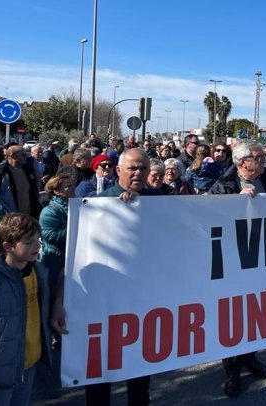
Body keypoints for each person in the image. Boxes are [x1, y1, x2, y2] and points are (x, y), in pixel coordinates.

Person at [81, 148, 160, 406]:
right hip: (106, 301)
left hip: (143, 299)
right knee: (101, 365)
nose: (138, 173)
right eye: (132, 168)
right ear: (118, 171)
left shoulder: (159, 199)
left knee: (139, 367)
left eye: (143, 169)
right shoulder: (100, 203)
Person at [207, 141, 266, 396]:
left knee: (256, 311)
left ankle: (250, 356)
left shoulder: (265, 180)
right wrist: (234, 201)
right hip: (234, 261)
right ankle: (231, 370)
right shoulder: (224, 184)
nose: (263, 160)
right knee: (234, 315)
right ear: (242, 162)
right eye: (258, 156)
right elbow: (210, 214)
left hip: (259, 257)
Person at [0, 213, 51, 406]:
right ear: (8, 246)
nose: (37, 246)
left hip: (29, 362)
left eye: (38, 240)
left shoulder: (38, 271)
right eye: (28, 242)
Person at [38, 175, 74, 296]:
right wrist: (76, 228)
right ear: (56, 191)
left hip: (70, 260)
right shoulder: (49, 212)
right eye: (67, 186)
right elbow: (51, 236)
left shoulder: (76, 206)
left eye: (72, 185)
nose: (72, 188)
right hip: (55, 264)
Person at [0, 145, 42, 219]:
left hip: (29, 218)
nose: (26, 157)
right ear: (13, 156)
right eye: (23, 155)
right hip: (11, 221)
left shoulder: (27, 171)